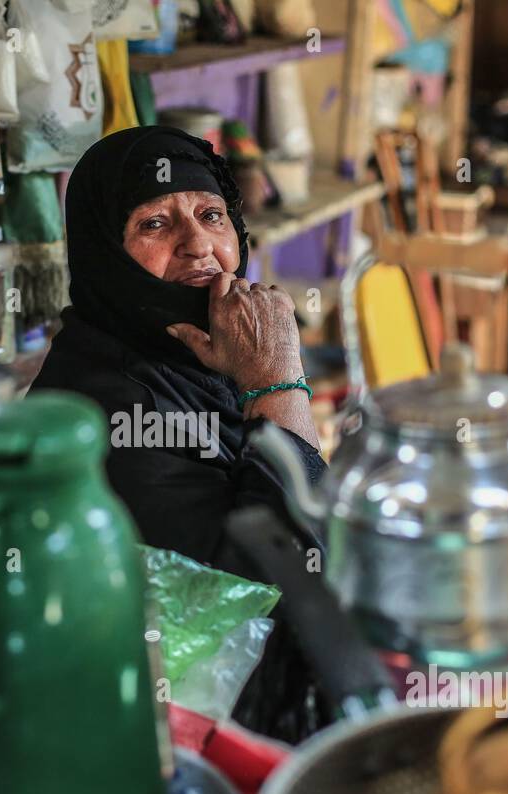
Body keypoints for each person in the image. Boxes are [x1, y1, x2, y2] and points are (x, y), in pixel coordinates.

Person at [29, 125, 327, 572]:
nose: (199, 245)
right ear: (104, 253)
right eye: (154, 223)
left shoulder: (208, 350)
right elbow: (281, 578)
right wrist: (276, 381)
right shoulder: (115, 409)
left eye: (210, 215)